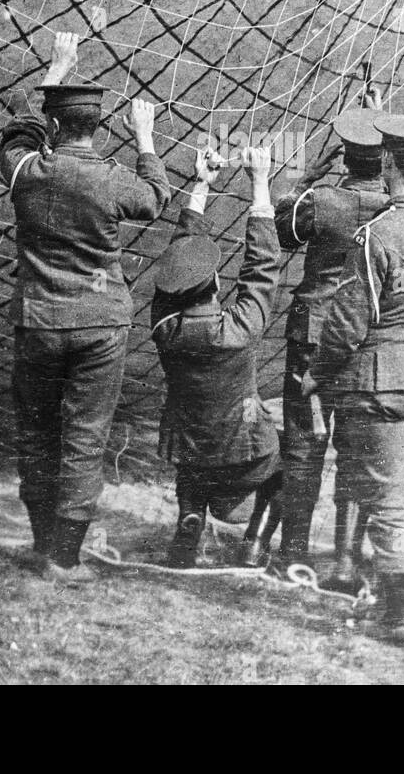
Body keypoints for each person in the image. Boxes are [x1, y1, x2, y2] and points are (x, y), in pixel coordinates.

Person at [0, 32, 169, 584]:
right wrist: (145, 139)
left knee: (38, 432)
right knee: (86, 436)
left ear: (53, 125)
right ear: (99, 126)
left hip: (40, 320)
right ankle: (65, 558)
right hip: (100, 324)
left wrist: (56, 69)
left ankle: (42, 543)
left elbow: (19, 130)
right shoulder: (113, 178)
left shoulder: (28, 172)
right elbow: (155, 197)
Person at [299, 115, 404, 644]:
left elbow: (349, 321)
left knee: (387, 501)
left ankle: (395, 616)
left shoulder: (377, 234)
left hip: (380, 383)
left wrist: (316, 376)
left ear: (392, 164)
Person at [151, 145, 285, 569]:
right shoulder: (240, 328)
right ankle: (255, 544)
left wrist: (200, 186)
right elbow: (262, 267)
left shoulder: (164, 327)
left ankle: (190, 522)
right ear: (213, 281)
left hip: (192, 452)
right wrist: (260, 183)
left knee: (190, 470)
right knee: (287, 465)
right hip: (245, 452)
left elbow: (180, 253)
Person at [274, 106, 389, 591]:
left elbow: (281, 229)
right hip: (365, 338)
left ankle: (291, 555)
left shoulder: (322, 202)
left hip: (313, 333)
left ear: (344, 155)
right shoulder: (395, 209)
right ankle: (345, 560)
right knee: (358, 449)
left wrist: (306, 177)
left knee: (303, 445)